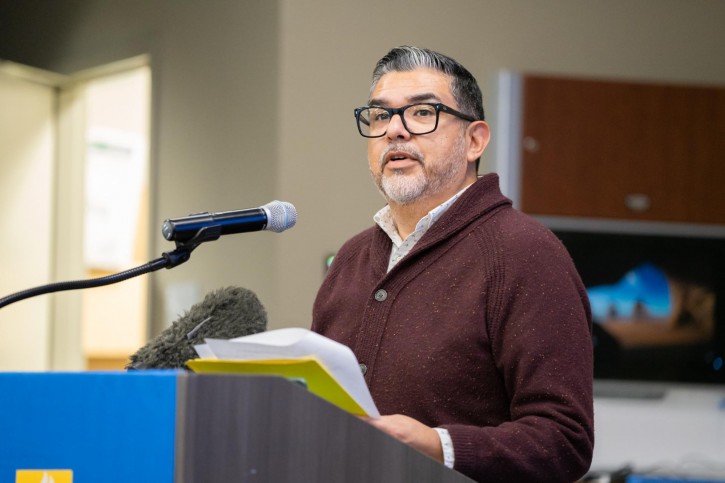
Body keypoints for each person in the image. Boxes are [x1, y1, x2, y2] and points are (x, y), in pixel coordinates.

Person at [311, 46, 594, 482]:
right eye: (381, 116)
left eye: (422, 113)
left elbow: (564, 440)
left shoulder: (526, 254)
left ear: (474, 140)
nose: (395, 132)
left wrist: (438, 446)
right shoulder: (351, 258)